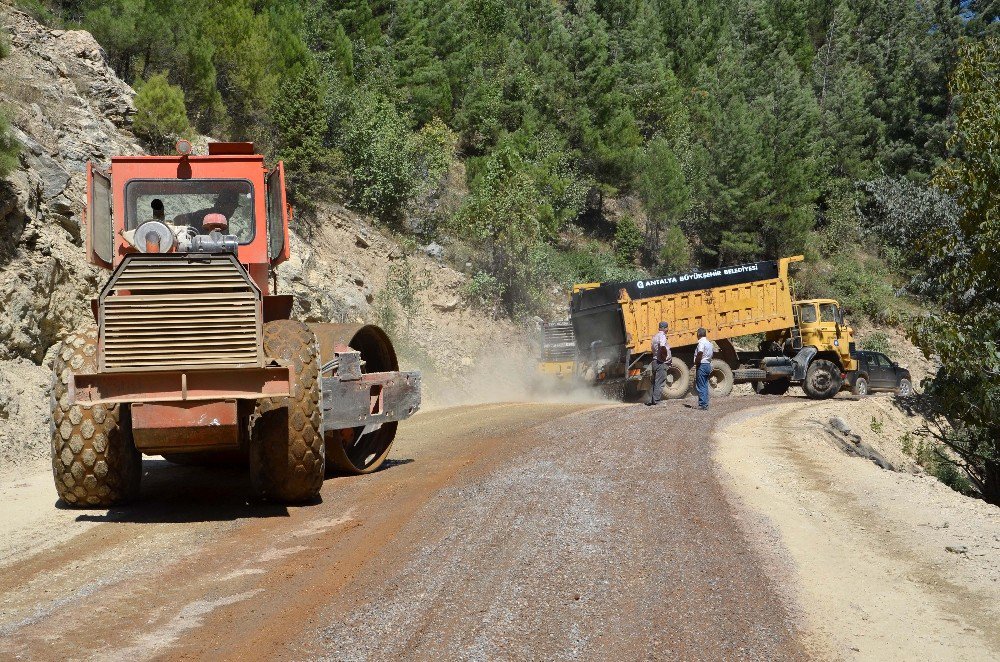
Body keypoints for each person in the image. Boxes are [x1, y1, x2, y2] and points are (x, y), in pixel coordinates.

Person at [173, 190, 240, 233]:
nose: (232, 210)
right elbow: (178, 219)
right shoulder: (203, 215)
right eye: (231, 206)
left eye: (234, 207)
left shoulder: (225, 218)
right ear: (221, 204)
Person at [646, 321, 672, 406]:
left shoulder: (655, 336)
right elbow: (662, 346)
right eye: (667, 328)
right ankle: (656, 401)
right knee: (660, 382)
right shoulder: (662, 336)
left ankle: (651, 400)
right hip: (660, 361)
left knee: (654, 382)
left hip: (654, 361)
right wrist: (663, 357)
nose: (668, 329)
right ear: (664, 328)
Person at [694, 327, 714, 410]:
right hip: (708, 364)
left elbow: (700, 352)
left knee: (701, 385)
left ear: (698, 334)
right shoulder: (709, 343)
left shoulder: (701, 343)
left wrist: (697, 361)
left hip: (702, 364)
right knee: (705, 384)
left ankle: (703, 405)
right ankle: (705, 403)